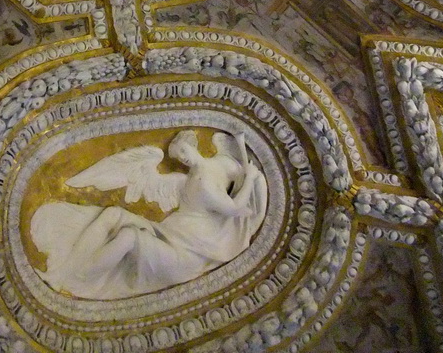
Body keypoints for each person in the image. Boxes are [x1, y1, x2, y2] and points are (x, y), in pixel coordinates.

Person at [30, 129, 267, 300]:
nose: (182, 158)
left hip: (189, 251)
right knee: (112, 214)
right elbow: (237, 201)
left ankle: (78, 277)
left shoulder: (208, 179)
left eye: (182, 150)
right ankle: (64, 271)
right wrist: (251, 179)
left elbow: (236, 208)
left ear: (192, 144)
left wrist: (252, 178)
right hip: (170, 233)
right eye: (177, 156)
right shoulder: (184, 180)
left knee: (129, 237)